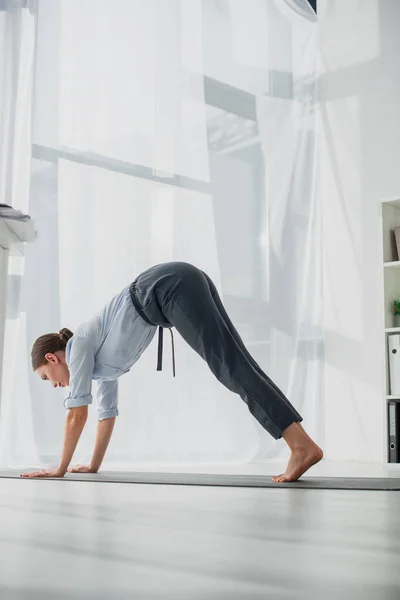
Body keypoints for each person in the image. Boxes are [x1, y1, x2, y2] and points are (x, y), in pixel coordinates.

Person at [21, 262, 323, 482]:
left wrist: (59, 468)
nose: (54, 385)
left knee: (230, 366)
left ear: (52, 358)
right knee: (237, 363)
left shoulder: (79, 346)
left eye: (47, 377)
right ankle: (301, 443)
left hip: (168, 287)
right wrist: (92, 465)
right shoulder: (100, 367)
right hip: (175, 284)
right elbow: (106, 413)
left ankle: (300, 445)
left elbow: (77, 413)